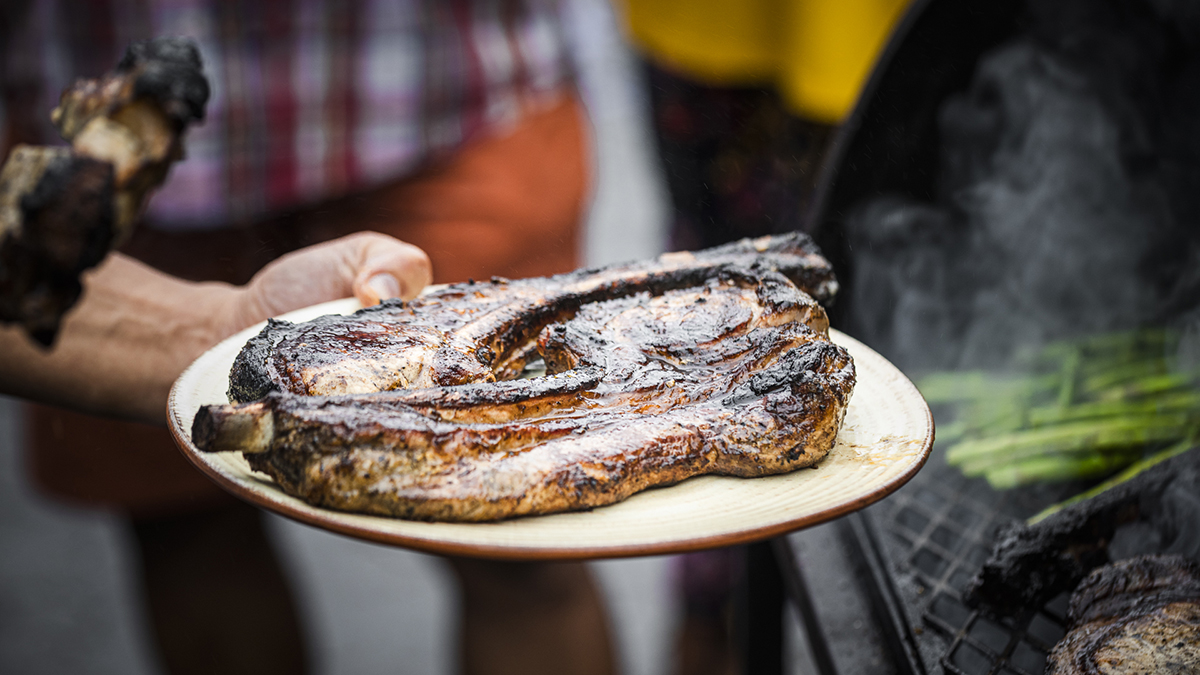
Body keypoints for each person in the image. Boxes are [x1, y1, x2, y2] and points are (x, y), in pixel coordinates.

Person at [2, 2, 615, 674]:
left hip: (441, 84)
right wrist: (219, 331)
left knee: (525, 535)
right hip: (114, 77)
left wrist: (223, 325)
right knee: (187, 523)